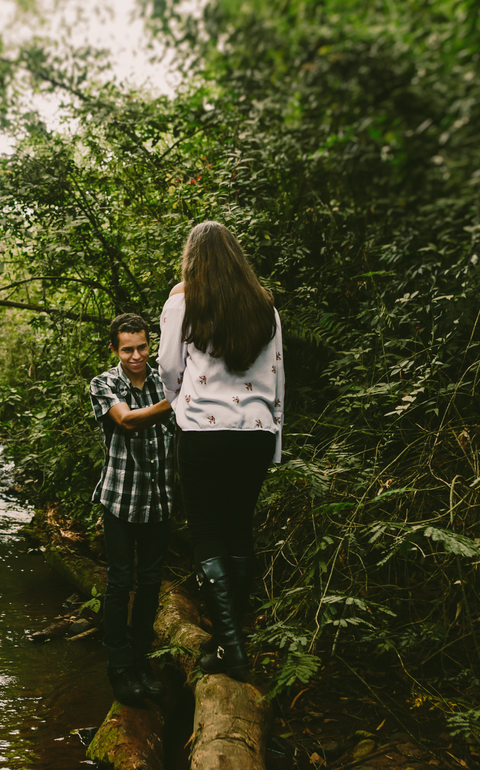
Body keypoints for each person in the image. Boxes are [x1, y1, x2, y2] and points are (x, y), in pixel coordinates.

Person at [157, 221, 284, 682]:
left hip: (203, 434)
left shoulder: (182, 301)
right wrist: (274, 440)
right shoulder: (264, 305)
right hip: (255, 432)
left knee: (208, 534)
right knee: (239, 531)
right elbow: (278, 375)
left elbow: (169, 367)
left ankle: (231, 648)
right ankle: (230, 640)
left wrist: (180, 405)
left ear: (192, 258)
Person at [89, 313, 176, 706]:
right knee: (120, 582)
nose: (137, 355)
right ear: (115, 349)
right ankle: (119, 666)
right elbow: (126, 421)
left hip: (160, 498)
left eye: (142, 347)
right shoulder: (104, 383)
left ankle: (141, 661)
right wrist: (180, 401)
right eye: (128, 349)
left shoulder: (164, 378)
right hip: (121, 499)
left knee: (151, 582)